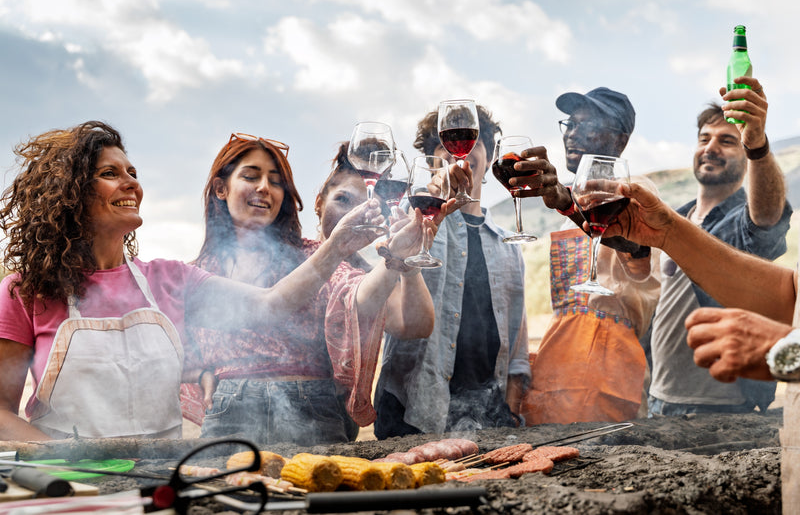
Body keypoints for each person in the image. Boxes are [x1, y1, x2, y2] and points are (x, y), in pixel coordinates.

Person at [0, 121, 392, 441]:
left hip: (159, 474)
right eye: (109, 174)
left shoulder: (171, 279)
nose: (131, 183)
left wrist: (337, 246)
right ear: (69, 194)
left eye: (132, 173)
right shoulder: (25, 292)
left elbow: (271, 306)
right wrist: (63, 457)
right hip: (67, 479)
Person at [599, 80, 797, 511]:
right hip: (663, 398)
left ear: (744, 158)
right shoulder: (680, 216)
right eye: (704, 138)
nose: (711, 147)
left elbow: (767, 217)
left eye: (728, 141)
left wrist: (759, 144)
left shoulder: (742, 220)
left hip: (722, 408)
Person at [191, 133, 435, 446]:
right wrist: (199, 373)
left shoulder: (313, 257)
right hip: (228, 418)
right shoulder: (199, 270)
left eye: (276, 181)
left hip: (312, 413)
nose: (264, 188)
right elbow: (173, 344)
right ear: (220, 188)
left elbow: (358, 297)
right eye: (251, 176)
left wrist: (398, 255)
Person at [374, 105, 531, 437]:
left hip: (487, 414)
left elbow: (516, 342)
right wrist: (432, 192)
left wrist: (512, 407)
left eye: (474, 141)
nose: (461, 152)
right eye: (446, 144)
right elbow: (393, 241)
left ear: (489, 158)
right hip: (411, 411)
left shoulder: (509, 244)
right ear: (432, 160)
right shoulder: (413, 220)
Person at [513, 87, 661, 424]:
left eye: (588, 124)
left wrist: (569, 205)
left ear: (619, 140)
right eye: (570, 124)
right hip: (554, 377)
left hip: (608, 381)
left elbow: (633, 245)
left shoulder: (636, 191)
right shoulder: (571, 196)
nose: (572, 134)